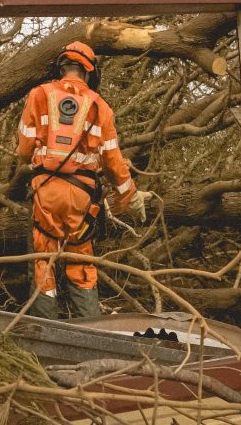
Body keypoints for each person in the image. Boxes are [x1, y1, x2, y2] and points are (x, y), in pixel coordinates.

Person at [16, 41, 149, 319]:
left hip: (46, 192)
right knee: (81, 262)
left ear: (61, 67)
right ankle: (91, 330)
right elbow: (113, 162)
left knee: (44, 259)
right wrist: (130, 197)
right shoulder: (100, 107)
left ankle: (46, 333)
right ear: (90, 73)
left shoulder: (39, 95)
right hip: (82, 197)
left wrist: (32, 162)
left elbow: (24, 148)